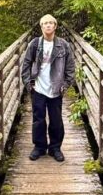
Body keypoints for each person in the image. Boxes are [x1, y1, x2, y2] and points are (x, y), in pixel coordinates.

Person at [20, 14, 76, 162]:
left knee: (56, 119)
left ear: (55, 26)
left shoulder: (63, 45)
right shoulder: (34, 44)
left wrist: (66, 84)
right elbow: (25, 65)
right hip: (38, 87)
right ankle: (39, 147)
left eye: (51, 23)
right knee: (38, 119)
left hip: (56, 88)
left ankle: (55, 148)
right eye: (45, 23)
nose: (48, 25)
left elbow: (70, 67)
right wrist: (28, 84)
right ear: (41, 26)